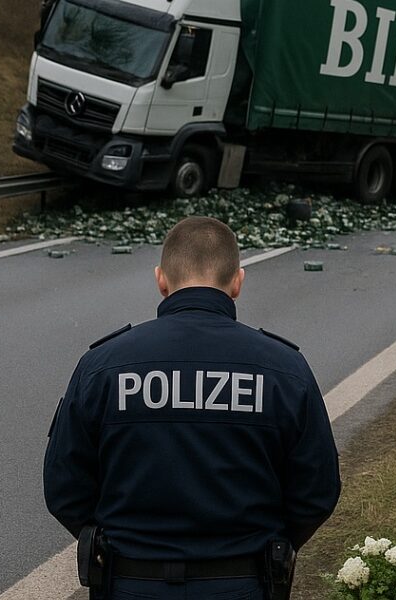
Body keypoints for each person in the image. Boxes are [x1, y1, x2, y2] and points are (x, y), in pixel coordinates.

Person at [44, 216, 340, 599]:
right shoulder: (284, 369)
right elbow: (316, 491)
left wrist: (116, 542)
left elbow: (64, 488)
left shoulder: (103, 366)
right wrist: (270, 544)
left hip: (132, 582)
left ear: (161, 280)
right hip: (243, 582)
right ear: (237, 282)